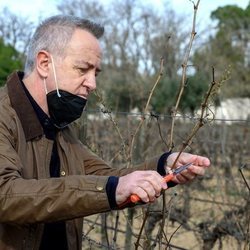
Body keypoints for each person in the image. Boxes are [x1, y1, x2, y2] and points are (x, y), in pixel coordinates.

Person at [0, 15, 210, 250]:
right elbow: (5, 194)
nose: (92, 84)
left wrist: (163, 167)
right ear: (44, 64)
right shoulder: (4, 115)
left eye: (96, 73)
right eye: (83, 69)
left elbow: (108, 177)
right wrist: (111, 188)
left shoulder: (59, 126)